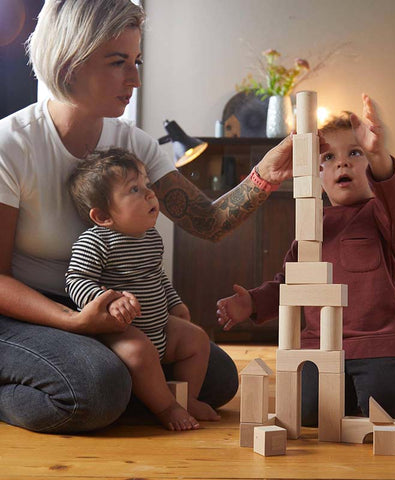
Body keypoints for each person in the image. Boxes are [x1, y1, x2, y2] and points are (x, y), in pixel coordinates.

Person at [0, 0, 292, 434]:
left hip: (115, 315)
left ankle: (127, 391)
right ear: (71, 63)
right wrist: (74, 322)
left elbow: (206, 223)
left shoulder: (134, 145)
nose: (134, 78)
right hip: (28, 315)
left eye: (136, 61)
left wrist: (263, 176)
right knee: (98, 389)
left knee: (219, 379)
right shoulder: (12, 144)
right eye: (119, 63)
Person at [217, 94, 395, 425]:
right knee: (306, 414)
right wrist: (251, 303)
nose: (343, 163)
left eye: (355, 153)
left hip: (377, 346)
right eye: (329, 157)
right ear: (317, 173)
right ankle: (346, 402)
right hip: (319, 348)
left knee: (391, 412)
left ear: (369, 164)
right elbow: (288, 285)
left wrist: (379, 154)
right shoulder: (311, 227)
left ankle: (359, 399)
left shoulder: (383, 217)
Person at [66, 148, 221, 431]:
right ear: (102, 216)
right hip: (120, 330)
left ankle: (187, 398)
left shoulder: (150, 237)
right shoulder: (96, 241)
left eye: (147, 185)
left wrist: (176, 303)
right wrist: (109, 301)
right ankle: (166, 407)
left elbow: (157, 276)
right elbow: (76, 280)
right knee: (140, 353)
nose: (150, 193)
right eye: (134, 189)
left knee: (197, 339)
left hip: (159, 325)